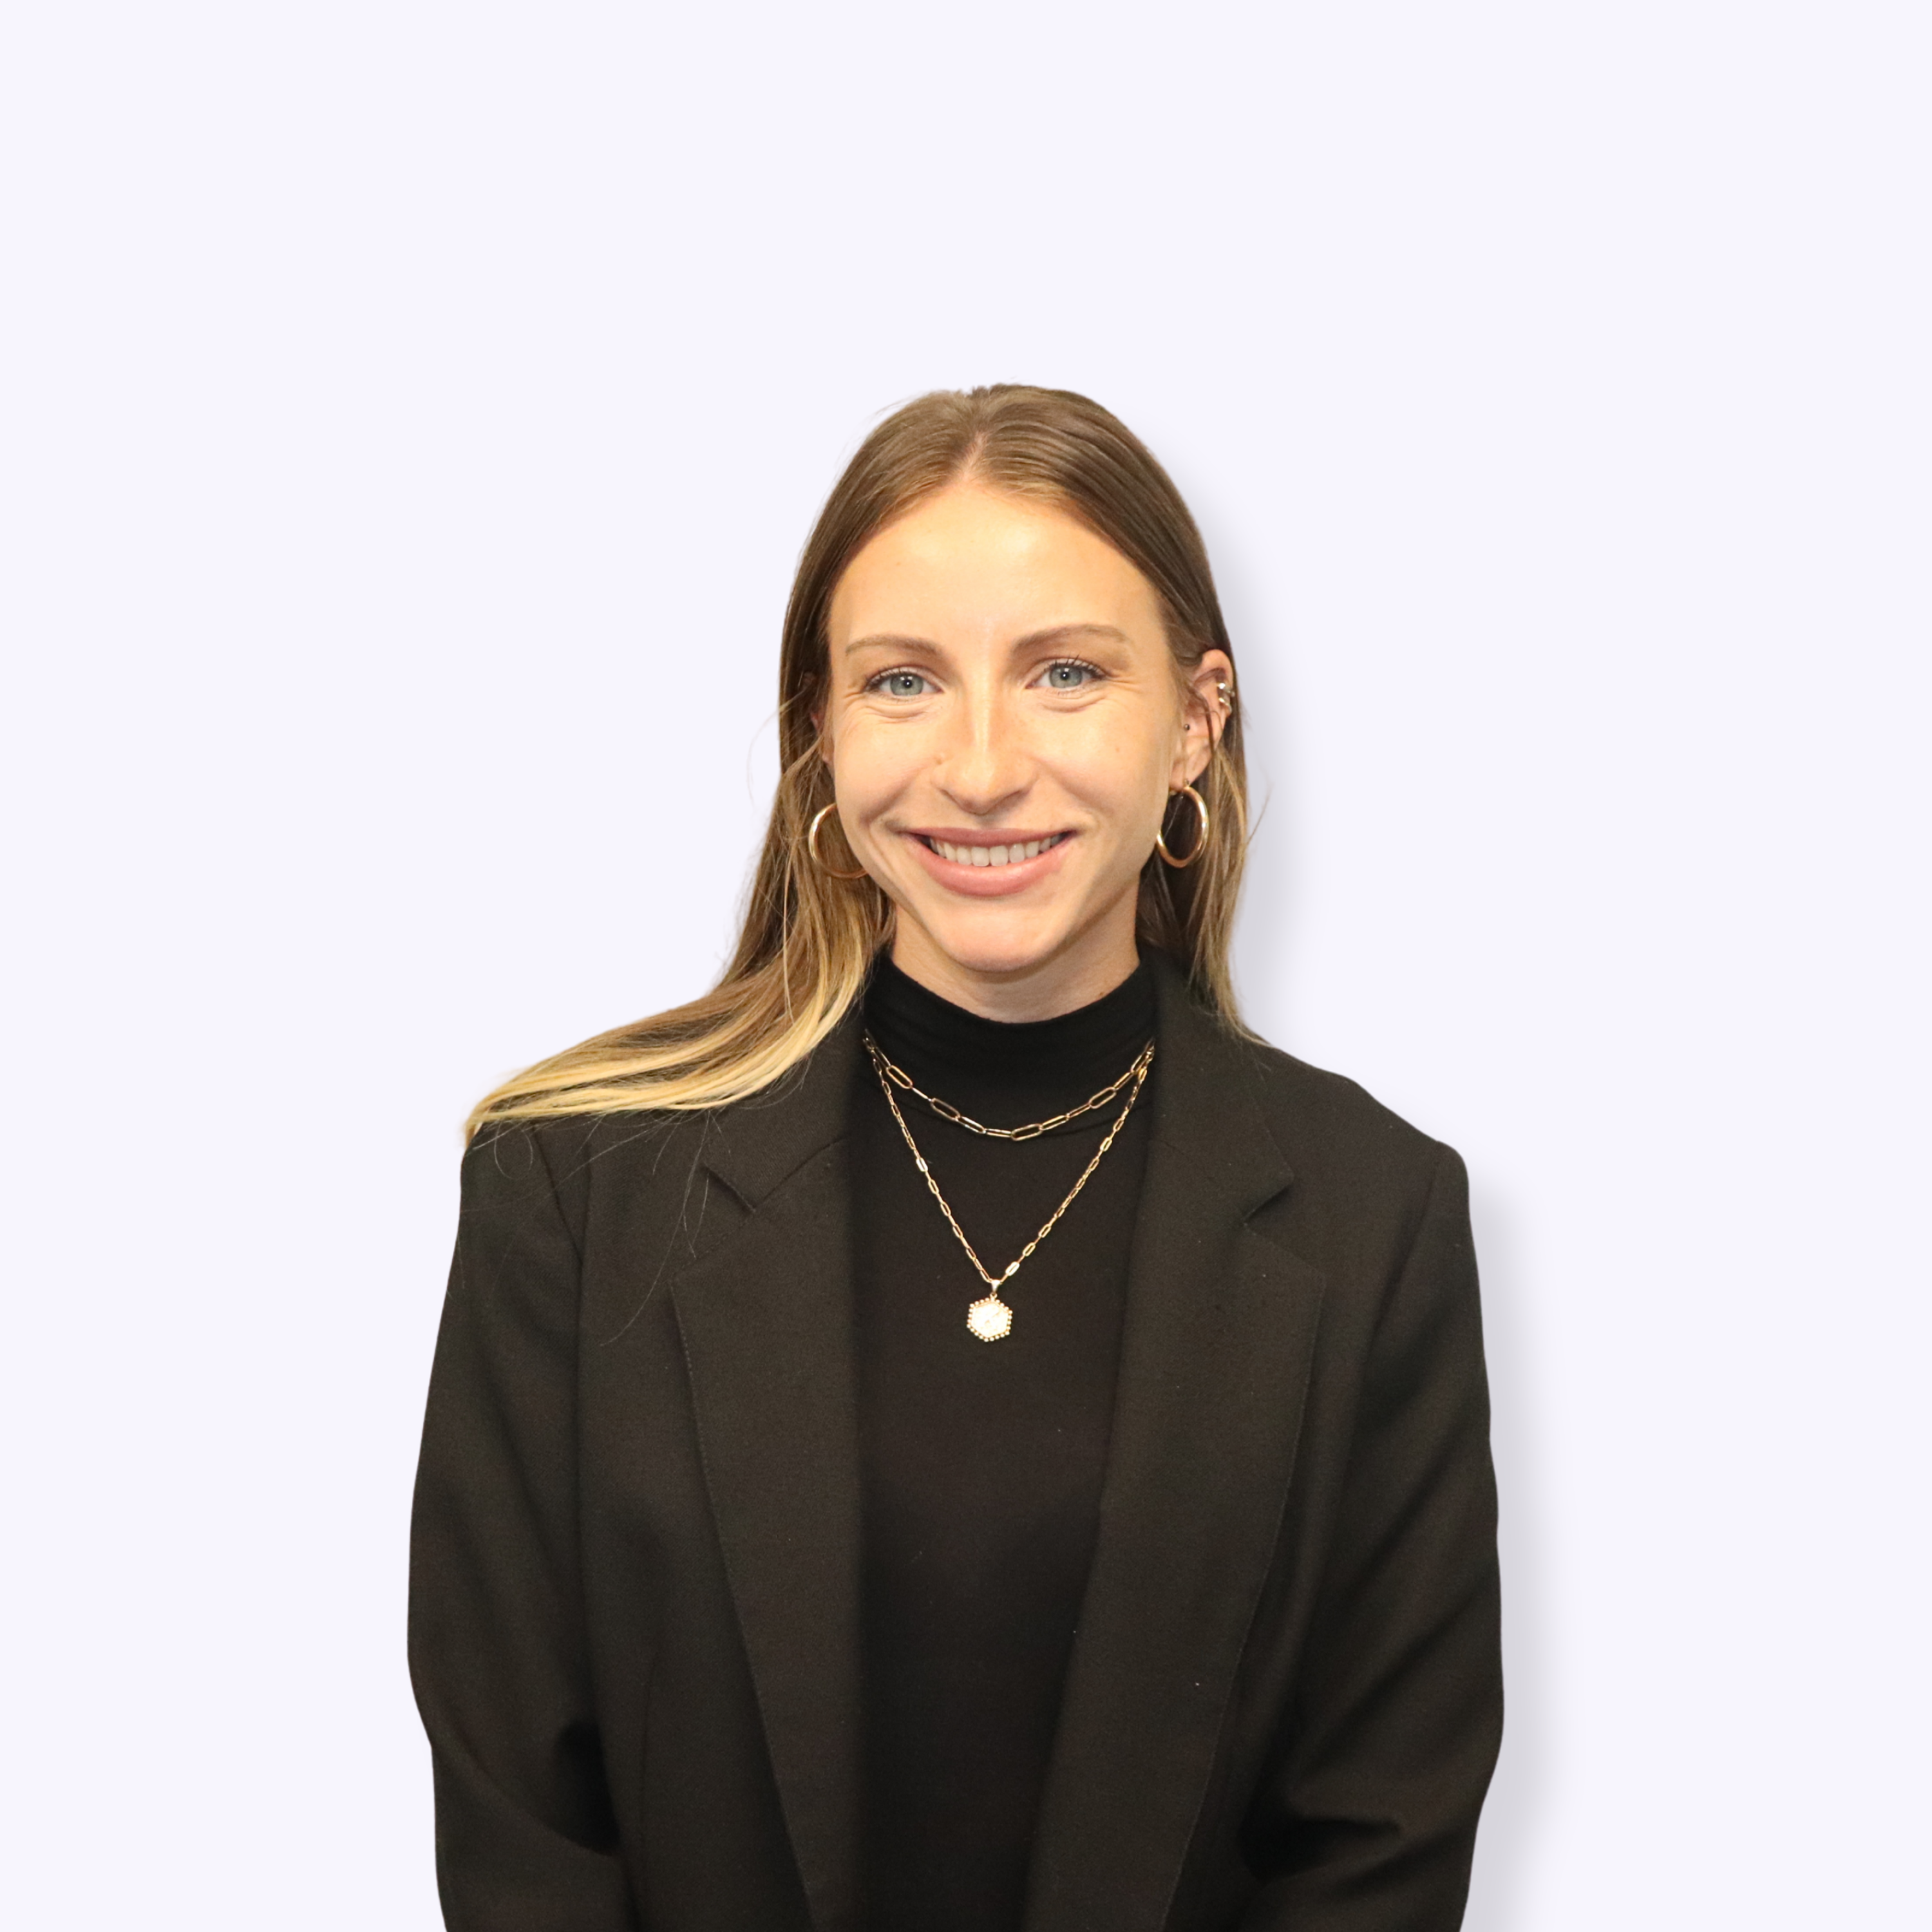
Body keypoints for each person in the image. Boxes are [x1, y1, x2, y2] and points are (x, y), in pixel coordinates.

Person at [408, 384, 1502, 1932]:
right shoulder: (571, 1193)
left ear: (1196, 719)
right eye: (905, 681)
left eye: (1066, 672)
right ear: (823, 732)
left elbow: (1375, 1842)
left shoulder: (1375, 1217)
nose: (981, 769)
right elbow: (524, 1824)